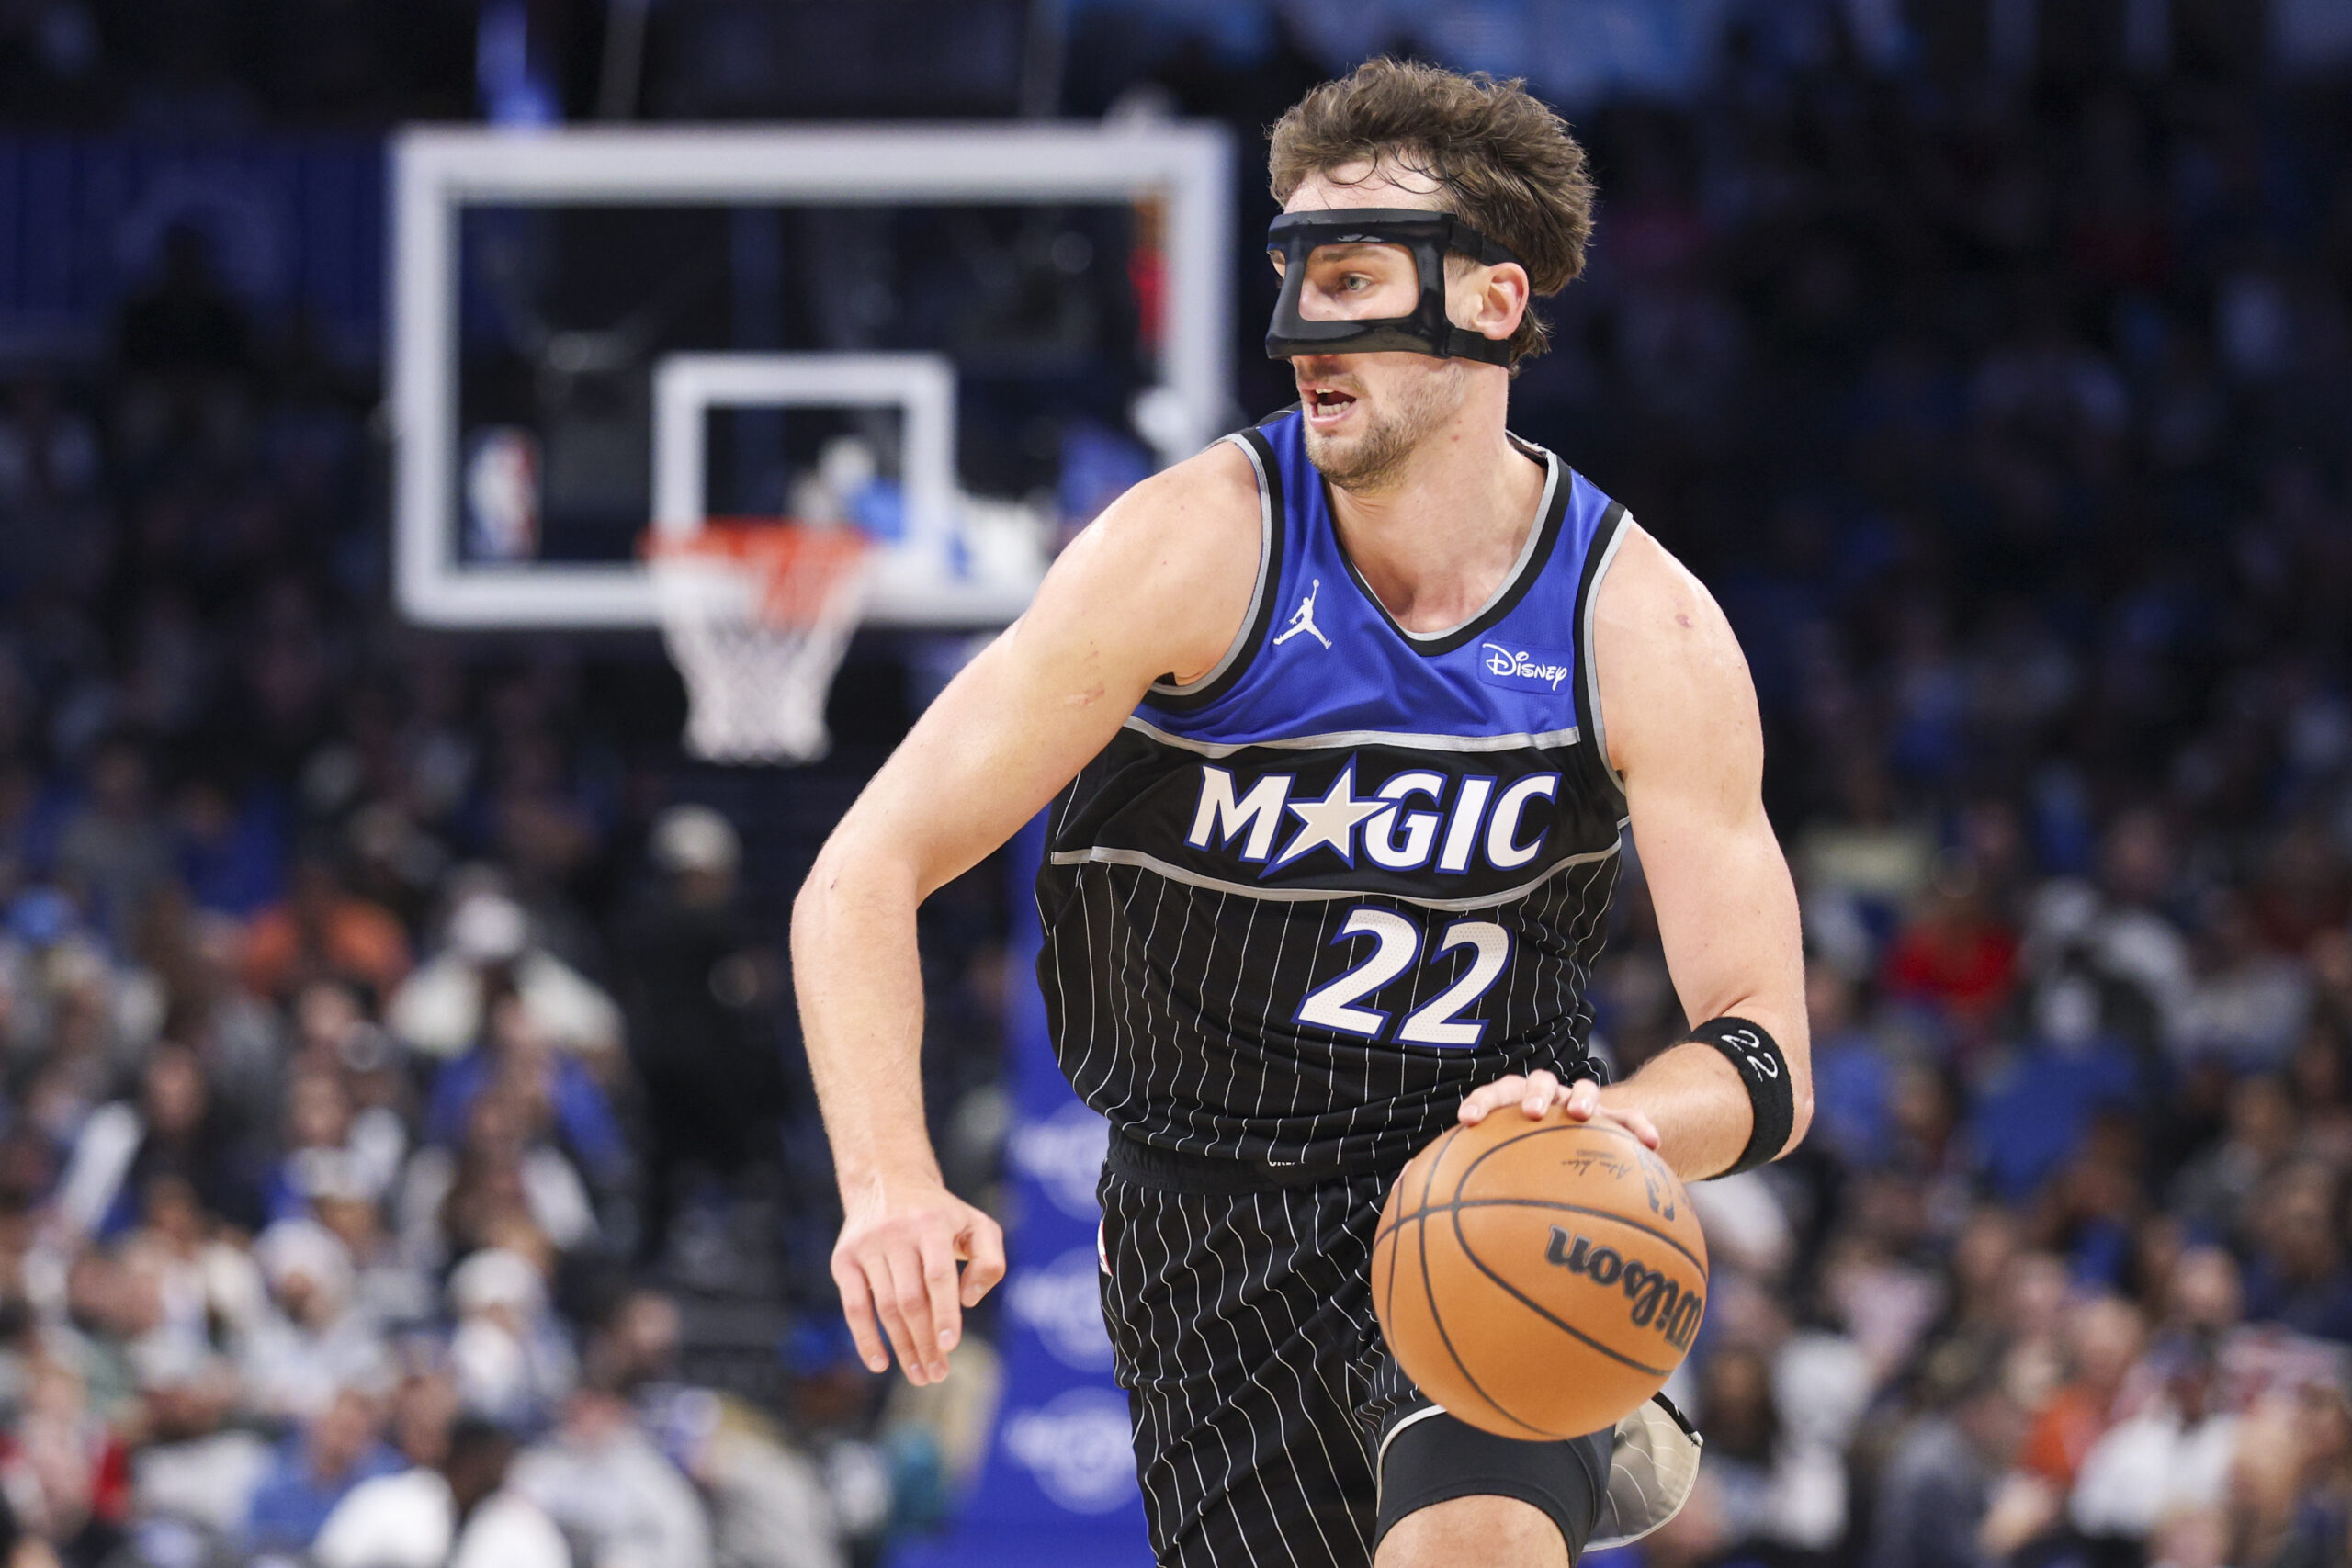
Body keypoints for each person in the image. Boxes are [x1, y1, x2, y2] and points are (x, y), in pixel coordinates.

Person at [793, 58, 1812, 1568]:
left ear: (1491, 301)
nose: (1297, 333)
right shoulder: (1191, 549)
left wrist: (1627, 1123)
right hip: (1202, 1224)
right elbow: (863, 870)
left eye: (1349, 281)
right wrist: (888, 1182)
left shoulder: (1639, 625)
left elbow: (1764, 1048)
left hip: (1479, 1180)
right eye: (1292, 277)